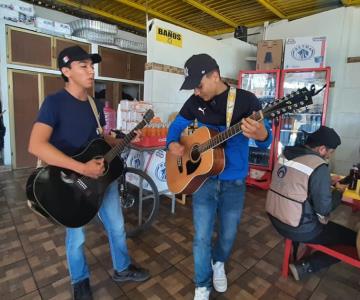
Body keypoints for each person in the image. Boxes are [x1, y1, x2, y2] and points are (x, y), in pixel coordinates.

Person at [28, 46, 150, 300]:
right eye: (83, 66)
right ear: (66, 71)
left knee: (117, 226)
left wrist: (123, 139)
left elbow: (100, 138)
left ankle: (122, 268)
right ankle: (80, 280)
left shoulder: (94, 104)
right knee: (77, 237)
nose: (91, 70)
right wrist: (82, 168)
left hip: (102, 179)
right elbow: (36, 145)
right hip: (70, 184)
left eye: (91, 65)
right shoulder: (54, 103)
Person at [166, 54, 272, 300]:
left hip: (233, 181)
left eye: (199, 84)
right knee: (201, 236)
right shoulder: (194, 101)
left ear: (215, 76)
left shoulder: (246, 101)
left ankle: (219, 262)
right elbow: (176, 128)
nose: (196, 90)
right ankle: (202, 284)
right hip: (202, 179)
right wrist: (172, 144)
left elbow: (265, 144)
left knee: (228, 234)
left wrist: (262, 134)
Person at [266, 125, 357, 280]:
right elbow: (324, 208)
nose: (329, 156)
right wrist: (338, 192)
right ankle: (306, 266)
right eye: (330, 152)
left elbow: (296, 182)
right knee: (353, 240)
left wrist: (326, 180)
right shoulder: (318, 166)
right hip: (299, 228)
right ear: (322, 149)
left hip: (275, 218)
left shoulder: (285, 154)